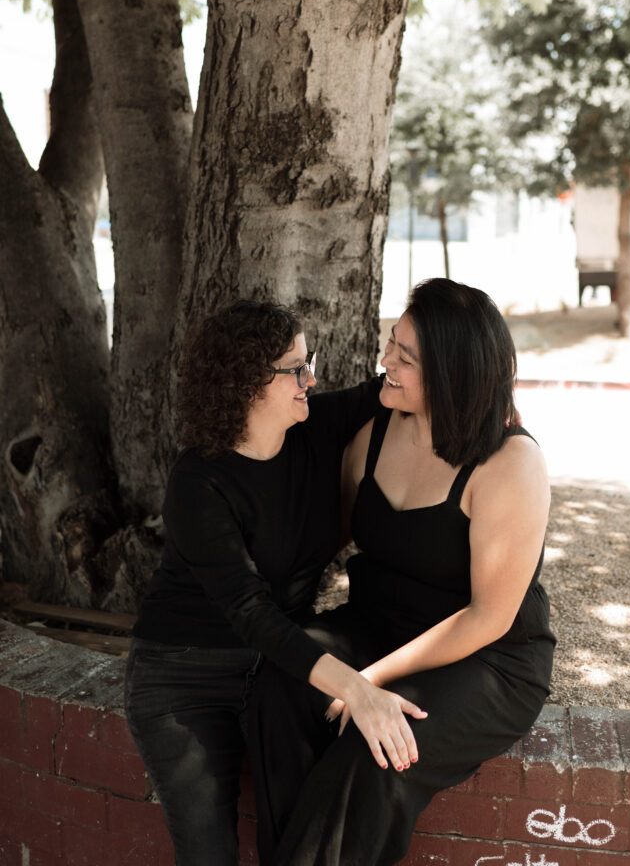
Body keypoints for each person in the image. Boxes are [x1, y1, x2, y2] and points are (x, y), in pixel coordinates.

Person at [249, 278, 556, 866]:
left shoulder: (511, 462)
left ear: (451, 371)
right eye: (391, 342)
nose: (384, 361)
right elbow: (324, 540)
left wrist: (368, 682)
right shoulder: (376, 430)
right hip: (375, 625)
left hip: (484, 659)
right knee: (280, 684)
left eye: (404, 357)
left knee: (378, 749)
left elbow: (490, 616)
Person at [124, 299, 426, 866]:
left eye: (308, 361)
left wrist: (491, 396)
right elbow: (252, 612)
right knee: (210, 854)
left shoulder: (317, 426)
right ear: (247, 382)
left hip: (279, 670)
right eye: (295, 367)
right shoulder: (198, 481)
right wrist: (356, 689)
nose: (310, 378)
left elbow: (399, 387)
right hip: (184, 678)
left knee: (301, 838)